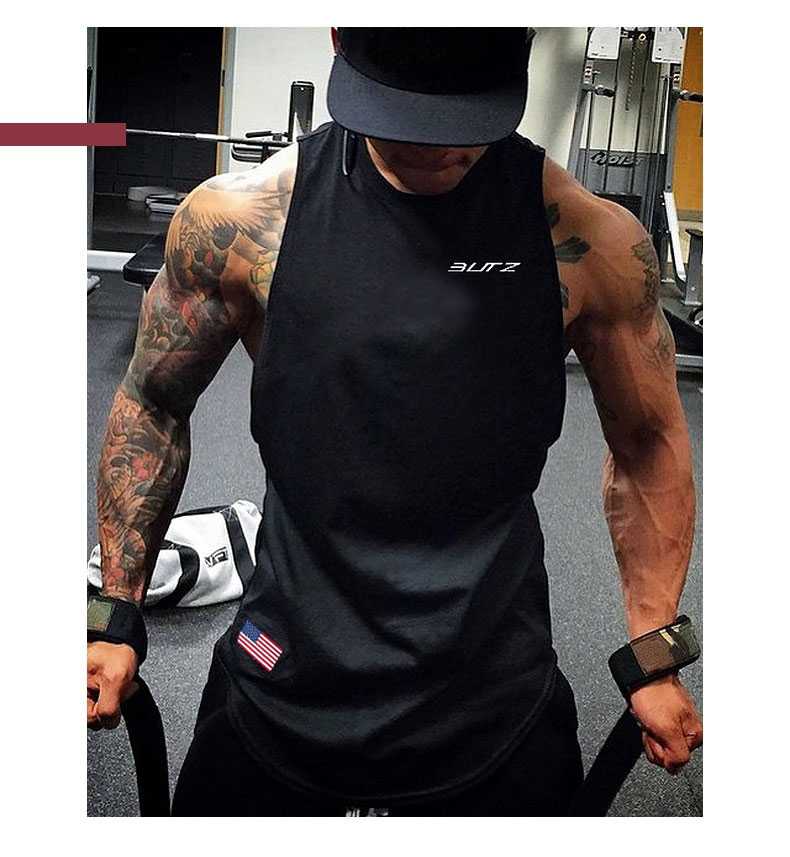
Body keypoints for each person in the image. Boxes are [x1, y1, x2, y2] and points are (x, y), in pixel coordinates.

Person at [87, 27, 703, 816]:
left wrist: (654, 648)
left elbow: (648, 442)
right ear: (340, 36)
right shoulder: (243, 222)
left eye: (458, 120)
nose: (433, 146)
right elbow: (152, 400)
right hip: (283, 664)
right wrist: (116, 613)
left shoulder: (592, 243)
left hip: (491, 687)